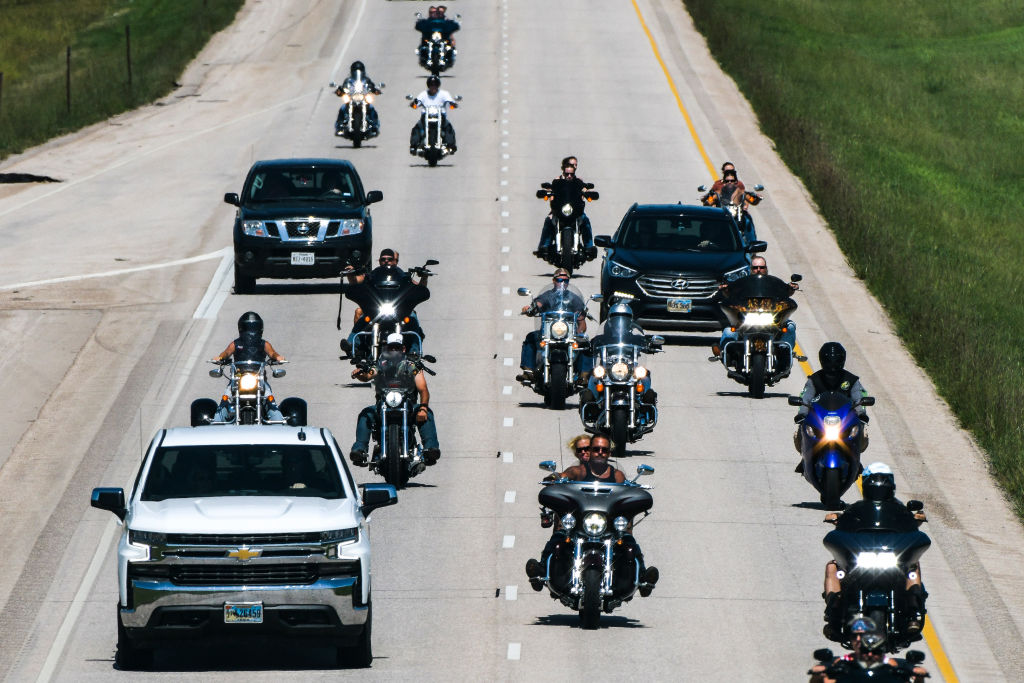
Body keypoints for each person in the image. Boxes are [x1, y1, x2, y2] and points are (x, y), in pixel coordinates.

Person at [525, 435, 659, 595]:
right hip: (581, 523)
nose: (600, 453)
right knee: (559, 538)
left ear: (609, 453)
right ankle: (539, 571)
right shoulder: (579, 471)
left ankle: (643, 578)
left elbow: (625, 492)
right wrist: (553, 478)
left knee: (629, 543)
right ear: (591, 451)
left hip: (607, 524)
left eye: (604, 450)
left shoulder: (617, 475)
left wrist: (635, 493)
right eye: (596, 449)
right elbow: (563, 476)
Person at [820, 463, 929, 642]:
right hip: (862, 557)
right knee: (833, 567)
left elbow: (910, 527)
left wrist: (915, 519)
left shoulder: (900, 510)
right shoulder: (856, 509)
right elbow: (844, 524)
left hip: (891, 557)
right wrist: (837, 521)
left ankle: (914, 609)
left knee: (913, 567)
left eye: (883, 484)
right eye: (876, 484)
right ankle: (834, 606)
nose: (879, 487)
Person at [350, 333, 440, 466]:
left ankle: (431, 450)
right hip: (383, 405)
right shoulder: (381, 364)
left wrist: (423, 408)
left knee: (427, 414)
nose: (393, 350)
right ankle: (359, 450)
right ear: (386, 348)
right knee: (365, 414)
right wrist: (359, 374)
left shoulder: (412, 365)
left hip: (408, 405)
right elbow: (368, 376)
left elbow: (423, 389)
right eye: (391, 347)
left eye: (396, 348)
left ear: (403, 349)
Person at [340, 249, 428, 358]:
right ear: (379, 261)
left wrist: (424, 276)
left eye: (390, 259)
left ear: (395, 261)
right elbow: (355, 281)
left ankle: (414, 351)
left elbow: (420, 287)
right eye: (383, 259)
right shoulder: (372, 275)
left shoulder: (404, 277)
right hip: (377, 310)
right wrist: (351, 273)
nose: (386, 261)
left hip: (399, 311)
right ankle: (352, 345)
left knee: (413, 317)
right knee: (363, 318)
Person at [793, 341, 870, 465]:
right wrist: (802, 413)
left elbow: (859, 398)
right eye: (829, 360)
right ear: (822, 360)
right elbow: (806, 398)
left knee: (863, 435)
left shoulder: (851, 380)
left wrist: (861, 413)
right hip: (819, 419)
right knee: (800, 432)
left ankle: (854, 458)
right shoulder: (814, 379)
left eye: (836, 360)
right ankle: (806, 457)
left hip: (845, 420)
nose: (832, 364)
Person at [712, 256, 798, 357]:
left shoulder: (774, 283)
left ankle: (785, 352)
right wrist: (726, 289)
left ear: (766, 268)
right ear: (750, 269)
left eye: (761, 267)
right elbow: (731, 296)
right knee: (729, 330)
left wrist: (791, 288)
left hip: (771, 317)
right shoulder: (742, 283)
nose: (758, 270)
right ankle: (725, 353)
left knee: (790, 327)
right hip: (746, 317)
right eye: (755, 267)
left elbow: (785, 294)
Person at [210, 312, 286, 423]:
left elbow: (272, 353)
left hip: (258, 379)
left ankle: (279, 424)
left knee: (270, 400)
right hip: (238, 378)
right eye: (249, 327)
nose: (251, 330)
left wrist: (278, 357)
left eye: (254, 327)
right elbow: (226, 352)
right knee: (225, 399)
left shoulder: (263, 343)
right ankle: (216, 424)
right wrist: (220, 357)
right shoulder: (236, 344)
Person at [516, 268, 587, 383]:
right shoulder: (547, 296)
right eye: (559, 280)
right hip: (548, 332)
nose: (562, 283)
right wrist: (530, 309)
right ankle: (528, 371)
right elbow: (538, 304)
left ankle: (584, 375)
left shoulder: (574, 299)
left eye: (565, 280)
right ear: (554, 281)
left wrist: (580, 332)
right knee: (530, 338)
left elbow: (582, 321)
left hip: (568, 334)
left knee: (585, 343)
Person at [809, 617, 929, 683]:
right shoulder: (841, 662)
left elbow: (910, 669)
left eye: (864, 636)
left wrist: (918, 674)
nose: (870, 654)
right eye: (856, 636)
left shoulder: (893, 664)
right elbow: (825, 669)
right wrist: (820, 672)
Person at [534, 156, 597, 260]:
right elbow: (552, 194)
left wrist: (587, 194)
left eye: (571, 173)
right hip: (560, 210)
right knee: (548, 220)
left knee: (585, 220)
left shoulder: (578, 181)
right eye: (567, 173)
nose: (569, 176)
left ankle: (589, 247)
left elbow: (583, 191)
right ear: (564, 168)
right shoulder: (557, 181)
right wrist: (547, 192)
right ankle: (544, 246)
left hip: (574, 211)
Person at [409, 75, 458, 155]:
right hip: (425, 117)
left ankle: (450, 146)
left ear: (438, 85)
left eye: (435, 84)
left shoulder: (444, 94)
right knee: (417, 128)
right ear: (428, 85)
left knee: (448, 127)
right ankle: (413, 146)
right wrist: (413, 104)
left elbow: (450, 103)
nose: (433, 87)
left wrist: (453, 104)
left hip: (441, 117)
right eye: (431, 85)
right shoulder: (423, 94)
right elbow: (416, 103)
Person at [334, 60, 382, 135]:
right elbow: (343, 87)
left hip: (363, 99)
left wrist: (375, 90)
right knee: (343, 108)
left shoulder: (366, 80)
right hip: (352, 99)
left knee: (371, 108)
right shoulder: (348, 80)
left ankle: (374, 126)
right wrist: (339, 91)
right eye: (355, 70)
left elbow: (371, 86)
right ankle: (339, 126)